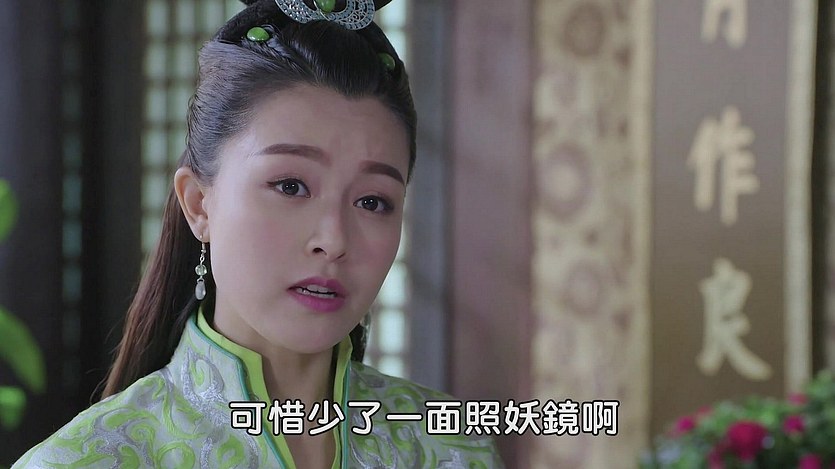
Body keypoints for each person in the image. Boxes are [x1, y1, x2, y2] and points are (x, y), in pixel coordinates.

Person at [13, 0, 504, 467]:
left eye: (372, 201)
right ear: (198, 203)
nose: (334, 240)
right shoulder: (84, 461)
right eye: (290, 186)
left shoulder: (453, 450)